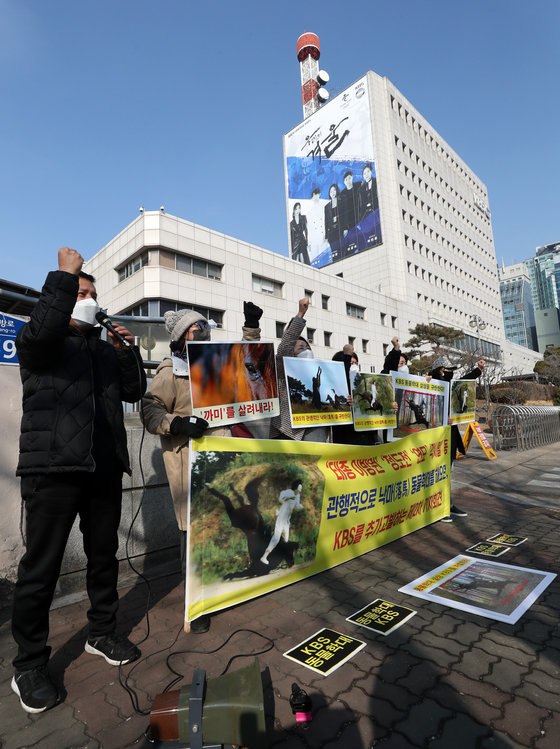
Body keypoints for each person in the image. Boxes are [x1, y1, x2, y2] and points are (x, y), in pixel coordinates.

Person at [11, 248, 146, 714]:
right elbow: (44, 328)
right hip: (52, 468)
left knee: (103, 556)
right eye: (79, 293)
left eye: (91, 293)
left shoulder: (102, 351)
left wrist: (127, 354)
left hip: (102, 469)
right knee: (41, 568)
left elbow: (133, 392)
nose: (87, 300)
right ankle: (29, 664)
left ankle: (102, 633)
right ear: (63, 297)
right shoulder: (41, 340)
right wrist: (64, 276)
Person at [141, 302, 262, 631]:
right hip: (188, 461)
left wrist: (251, 325)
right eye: (198, 329)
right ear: (182, 337)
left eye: (207, 327)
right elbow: (150, 411)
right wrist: (177, 424)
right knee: (193, 534)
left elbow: (247, 358)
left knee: (220, 526)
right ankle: (196, 605)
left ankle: (219, 587)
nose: (205, 333)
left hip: (219, 458)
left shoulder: (214, 365)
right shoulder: (171, 370)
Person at [430, 355, 485, 522]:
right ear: (439, 371)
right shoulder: (429, 386)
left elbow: (465, 380)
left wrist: (479, 370)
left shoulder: (451, 387)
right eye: (448, 370)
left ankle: (448, 505)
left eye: (451, 371)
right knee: (436, 475)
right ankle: (437, 508)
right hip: (434, 439)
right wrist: (440, 418)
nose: (450, 373)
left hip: (450, 437)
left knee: (448, 474)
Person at [270, 297, 329, 443]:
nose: (306, 350)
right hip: (288, 429)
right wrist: (300, 314)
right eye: (301, 348)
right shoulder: (282, 368)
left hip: (315, 423)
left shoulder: (320, 371)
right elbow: (285, 346)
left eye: (307, 347)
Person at [260, 480, 303, 565]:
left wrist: (301, 507)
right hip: (281, 517)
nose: (299, 491)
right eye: (299, 488)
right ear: (296, 487)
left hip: (287, 521)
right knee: (276, 537)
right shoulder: (288, 492)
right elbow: (280, 499)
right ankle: (264, 556)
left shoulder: (298, 495)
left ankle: (280, 556)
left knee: (286, 540)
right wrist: (288, 498)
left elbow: (297, 506)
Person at [357, 162, 381, 250]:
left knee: (378, 238)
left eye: (367, 172)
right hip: (366, 218)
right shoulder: (361, 189)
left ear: (371, 172)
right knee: (368, 241)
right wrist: (360, 222)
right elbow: (360, 207)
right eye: (364, 173)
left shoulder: (376, 182)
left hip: (376, 215)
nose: (366, 175)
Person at [339, 171, 362, 257]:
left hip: (359, 219)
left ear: (352, 178)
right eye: (346, 179)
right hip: (349, 223)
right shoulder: (342, 194)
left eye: (349, 178)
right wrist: (344, 228)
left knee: (361, 242)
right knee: (349, 246)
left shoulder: (358, 186)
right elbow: (342, 213)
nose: (348, 181)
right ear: (344, 182)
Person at [324, 183, 343, 261]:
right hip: (331, 233)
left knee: (341, 250)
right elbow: (326, 222)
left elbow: (344, 216)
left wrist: (345, 228)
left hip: (340, 229)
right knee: (334, 253)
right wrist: (326, 236)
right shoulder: (327, 206)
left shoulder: (341, 201)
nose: (332, 193)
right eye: (331, 191)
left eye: (334, 190)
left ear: (337, 191)